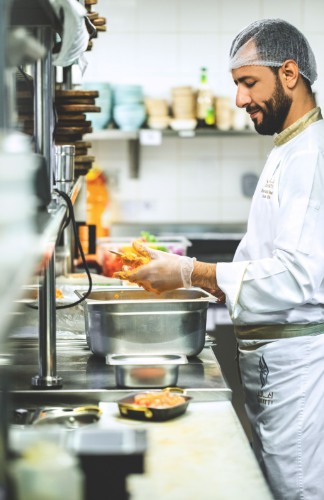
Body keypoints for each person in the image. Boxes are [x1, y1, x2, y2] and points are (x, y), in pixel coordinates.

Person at [120, 19, 324, 500]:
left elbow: (300, 277)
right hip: (272, 359)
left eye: (248, 82)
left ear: (290, 73)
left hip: (297, 364)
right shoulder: (288, 145)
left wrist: (193, 272)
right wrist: (192, 276)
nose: (239, 99)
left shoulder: (312, 156)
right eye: (236, 85)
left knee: (296, 487)